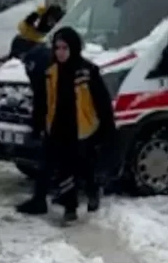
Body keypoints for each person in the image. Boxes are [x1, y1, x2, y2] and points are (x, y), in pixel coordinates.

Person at [15, 27, 116, 224]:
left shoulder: (87, 71)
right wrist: (37, 125)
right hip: (57, 125)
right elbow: (42, 101)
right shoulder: (51, 72)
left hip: (82, 128)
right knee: (56, 166)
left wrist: (107, 129)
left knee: (82, 166)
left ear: (74, 48)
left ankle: (92, 189)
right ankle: (68, 207)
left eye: (65, 48)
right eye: (57, 48)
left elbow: (102, 102)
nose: (60, 52)